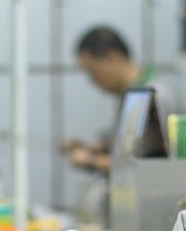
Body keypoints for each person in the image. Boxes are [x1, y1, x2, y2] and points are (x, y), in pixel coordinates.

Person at [63, 25, 179, 173]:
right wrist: (93, 148)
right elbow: (128, 145)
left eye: (93, 72)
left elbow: (125, 163)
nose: (93, 81)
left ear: (113, 57)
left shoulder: (141, 96)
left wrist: (90, 160)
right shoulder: (133, 93)